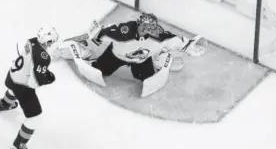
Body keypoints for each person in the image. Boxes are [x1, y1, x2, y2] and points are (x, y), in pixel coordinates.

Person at [59, 13, 206, 95]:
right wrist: (94, 34)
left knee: (148, 78)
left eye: (152, 27)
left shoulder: (160, 36)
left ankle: (159, 59)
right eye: (147, 27)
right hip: (115, 56)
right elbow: (99, 34)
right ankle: (83, 50)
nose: (151, 30)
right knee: (100, 70)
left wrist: (191, 45)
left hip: (141, 60)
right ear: (139, 25)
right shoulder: (123, 32)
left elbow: (176, 40)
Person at [0, 26, 59, 149]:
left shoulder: (31, 41)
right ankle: (19, 144)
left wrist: (41, 69)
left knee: (13, 88)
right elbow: (34, 82)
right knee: (35, 117)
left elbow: (26, 56)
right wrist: (47, 78)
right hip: (21, 86)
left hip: (12, 75)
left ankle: (5, 104)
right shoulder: (44, 57)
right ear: (49, 42)